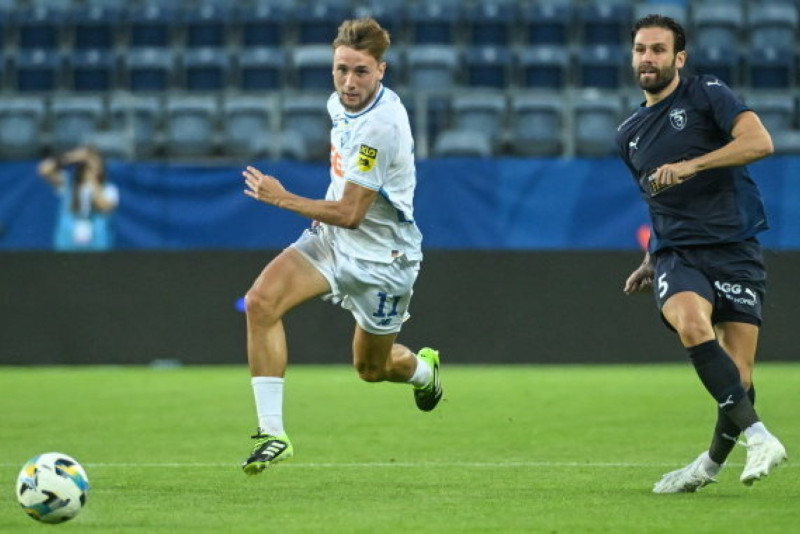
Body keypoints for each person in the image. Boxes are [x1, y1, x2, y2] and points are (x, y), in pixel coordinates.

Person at [239, 17, 442, 475]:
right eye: (341, 70)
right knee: (260, 302)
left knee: (371, 369)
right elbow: (344, 202)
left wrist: (282, 198)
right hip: (331, 242)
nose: (349, 82)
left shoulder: (383, 127)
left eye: (361, 72)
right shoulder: (338, 104)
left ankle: (424, 372)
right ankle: (272, 434)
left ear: (381, 71)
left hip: (384, 261)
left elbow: (352, 212)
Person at [616, 14, 787, 493]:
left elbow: (760, 142)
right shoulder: (628, 134)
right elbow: (656, 202)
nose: (647, 58)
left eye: (658, 50)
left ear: (679, 58)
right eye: (640, 50)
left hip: (734, 247)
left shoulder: (706, 92)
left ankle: (708, 466)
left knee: (739, 376)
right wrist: (650, 258)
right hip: (678, 253)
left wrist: (693, 165)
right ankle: (760, 437)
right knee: (692, 324)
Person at [37, 146, 118, 251]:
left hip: (97, 247)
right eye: (87, 163)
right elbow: (44, 169)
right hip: (67, 245)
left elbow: (105, 206)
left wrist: (92, 180)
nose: (91, 166)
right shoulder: (68, 184)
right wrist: (71, 157)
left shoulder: (108, 189)